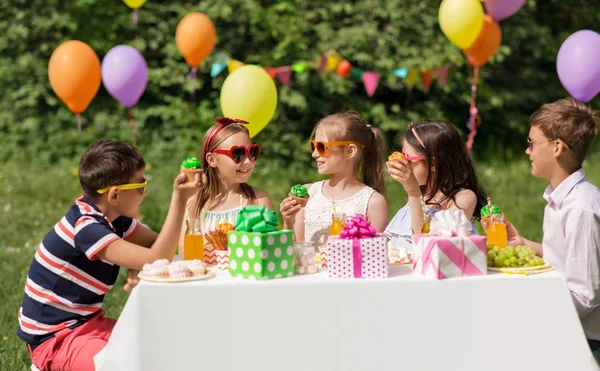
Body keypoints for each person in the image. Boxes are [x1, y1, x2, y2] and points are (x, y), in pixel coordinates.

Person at [18, 139, 203, 371]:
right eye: (141, 186)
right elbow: (160, 254)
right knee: (121, 364)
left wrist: (139, 263)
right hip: (56, 339)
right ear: (114, 196)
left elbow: (158, 247)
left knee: (156, 347)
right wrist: (180, 199)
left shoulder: (116, 221)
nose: (144, 194)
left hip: (87, 324)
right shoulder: (86, 229)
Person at [483, 98, 600, 351]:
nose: (527, 151)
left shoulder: (580, 208)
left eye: (532, 143)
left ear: (557, 147)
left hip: (584, 341)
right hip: (567, 327)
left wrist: (529, 307)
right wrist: (523, 243)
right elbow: (568, 257)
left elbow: (585, 296)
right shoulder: (558, 200)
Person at [280, 111, 388, 245]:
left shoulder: (373, 202)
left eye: (321, 147)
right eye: (313, 146)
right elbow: (294, 249)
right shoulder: (308, 193)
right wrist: (288, 222)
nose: (314, 154)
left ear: (350, 151)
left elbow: (373, 255)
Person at [385, 121, 488, 250]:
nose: (403, 163)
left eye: (408, 158)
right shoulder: (421, 196)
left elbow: (426, 242)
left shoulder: (463, 198)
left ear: (433, 163)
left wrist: (414, 193)